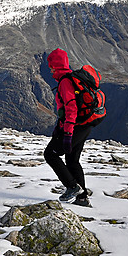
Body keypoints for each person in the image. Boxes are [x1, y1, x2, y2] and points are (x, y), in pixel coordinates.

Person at [44, 48, 93, 207]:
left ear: (56, 65)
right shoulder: (71, 79)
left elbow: (71, 109)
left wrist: (67, 134)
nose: (50, 69)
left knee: (50, 154)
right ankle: (82, 198)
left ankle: (72, 187)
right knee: (72, 160)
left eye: (51, 66)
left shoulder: (65, 82)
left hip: (75, 126)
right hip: (84, 126)